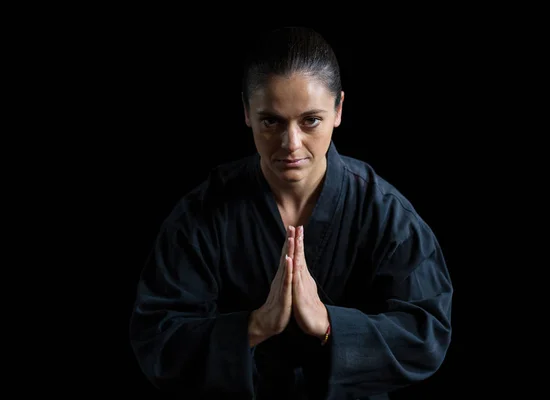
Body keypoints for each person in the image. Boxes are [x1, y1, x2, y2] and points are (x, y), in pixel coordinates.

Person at [129, 26, 453, 399]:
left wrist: (328, 323)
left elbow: (428, 333)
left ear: (338, 110)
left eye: (310, 120)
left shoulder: (386, 215)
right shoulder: (202, 214)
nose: (291, 143)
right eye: (272, 121)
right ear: (247, 113)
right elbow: (156, 337)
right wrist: (254, 326)